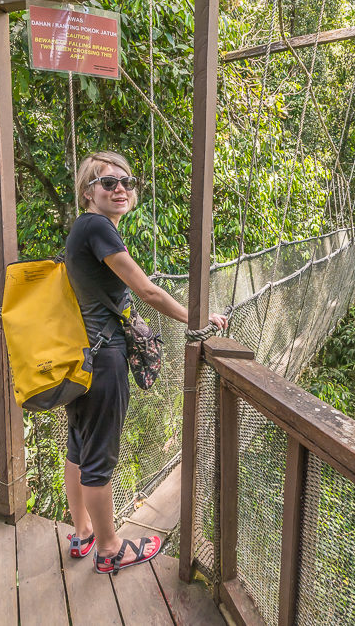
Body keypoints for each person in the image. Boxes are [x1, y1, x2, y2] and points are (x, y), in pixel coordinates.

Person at [63, 151, 228, 574]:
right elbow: (149, 293)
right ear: (88, 192)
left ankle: (82, 534)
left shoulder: (83, 228)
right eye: (108, 182)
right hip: (104, 357)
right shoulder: (98, 226)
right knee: (99, 458)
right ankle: (110, 549)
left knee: (80, 448)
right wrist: (199, 318)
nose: (120, 188)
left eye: (126, 182)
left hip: (81, 354)